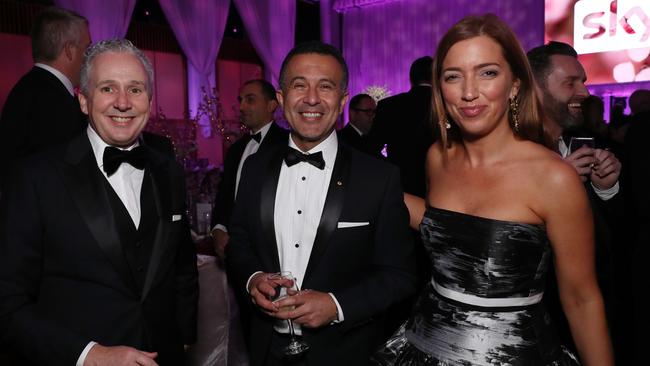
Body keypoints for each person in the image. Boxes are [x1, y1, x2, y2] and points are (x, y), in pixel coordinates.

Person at [372, 14, 613, 366]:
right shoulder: (438, 156)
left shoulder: (552, 177)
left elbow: (582, 299)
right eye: (453, 76)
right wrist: (366, 188)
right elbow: (451, 230)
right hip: (421, 344)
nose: (469, 92)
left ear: (515, 84)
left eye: (487, 72)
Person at [0, 39, 198, 366]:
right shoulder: (37, 178)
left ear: (149, 100)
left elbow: (183, 268)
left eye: (135, 89)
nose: (123, 102)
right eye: (108, 88)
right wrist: (88, 355)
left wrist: (185, 337)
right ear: (83, 101)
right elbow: (9, 302)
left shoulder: (170, 171)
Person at [226, 41, 417, 366]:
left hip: (346, 353)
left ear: (342, 100)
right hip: (266, 350)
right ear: (283, 98)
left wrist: (337, 305)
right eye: (300, 85)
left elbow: (400, 274)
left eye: (325, 87)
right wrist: (253, 278)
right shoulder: (255, 168)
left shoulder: (379, 177)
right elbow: (238, 244)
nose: (312, 98)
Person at [527, 41, 623, 361]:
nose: (584, 92)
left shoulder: (579, 144)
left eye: (583, 81)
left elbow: (612, 239)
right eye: (571, 82)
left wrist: (606, 188)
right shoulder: (512, 156)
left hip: (590, 317)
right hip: (537, 329)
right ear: (534, 88)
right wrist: (551, 188)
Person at [0, 6, 91, 190]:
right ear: (69, 51)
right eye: (87, 49)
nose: (89, 58)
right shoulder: (53, 102)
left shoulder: (29, 88)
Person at [210, 79, 288, 259]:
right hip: (236, 249)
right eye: (240, 100)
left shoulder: (288, 144)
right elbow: (224, 194)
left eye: (250, 100)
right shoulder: (235, 149)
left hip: (274, 251)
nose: (242, 107)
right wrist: (218, 228)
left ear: (271, 105)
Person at [365, 56, 434, 198]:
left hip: (400, 186)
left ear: (411, 78)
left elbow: (371, 148)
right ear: (436, 77)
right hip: (439, 184)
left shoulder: (389, 105)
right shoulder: (447, 105)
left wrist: (391, 167)